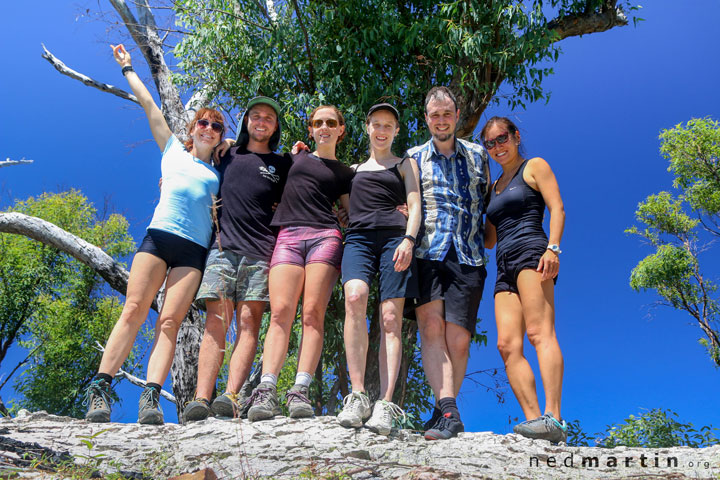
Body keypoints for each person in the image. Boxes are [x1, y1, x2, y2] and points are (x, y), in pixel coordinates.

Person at [84, 44, 224, 424]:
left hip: (193, 252)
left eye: (216, 126)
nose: (208, 128)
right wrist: (128, 68)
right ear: (192, 130)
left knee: (169, 323)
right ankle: (100, 391)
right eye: (203, 123)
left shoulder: (221, 174)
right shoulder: (173, 151)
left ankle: (150, 399)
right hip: (158, 238)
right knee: (132, 310)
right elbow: (150, 106)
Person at [181, 97, 291, 422]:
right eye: (255, 116)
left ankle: (229, 396)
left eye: (268, 118)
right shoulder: (227, 153)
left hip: (261, 251)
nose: (261, 121)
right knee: (216, 322)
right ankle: (201, 397)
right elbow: (195, 169)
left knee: (248, 322)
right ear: (246, 122)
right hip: (222, 247)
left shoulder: (283, 163)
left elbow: (302, 193)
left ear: (275, 126)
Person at [245, 105, 354, 421]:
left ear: (340, 129)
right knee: (280, 313)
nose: (324, 127)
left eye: (331, 122)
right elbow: (258, 173)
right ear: (310, 129)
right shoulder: (294, 158)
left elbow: (352, 213)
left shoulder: (346, 172)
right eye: (317, 122)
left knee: (312, 314)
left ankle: (300, 391)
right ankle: (266, 390)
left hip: (325, 236)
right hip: (289, 236)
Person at [405, 86, 490, 440]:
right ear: (427, 119)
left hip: (468, 254)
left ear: (456, 116)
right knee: (430, 331)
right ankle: (450, 411)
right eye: (434, 115)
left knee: (458, 339)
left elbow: (487, 200)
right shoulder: (412, 157)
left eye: (447, 114)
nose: (441, 120)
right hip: (427, 252)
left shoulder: (477, 155)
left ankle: (443, 409)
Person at [336, 104, 421, 435]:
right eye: (377, 124)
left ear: (396, 131)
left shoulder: (404, 164)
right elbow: (335, 199)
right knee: (354, 297)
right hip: (357, 240)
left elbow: (415, 206)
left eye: (389, 125)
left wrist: (409, 240)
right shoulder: (352, 170)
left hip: (394, 241)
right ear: (367, 127)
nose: (382, 130)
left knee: (390, 318)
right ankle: (357, 395)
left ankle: (385, 404)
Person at [481, 116, 567, 443]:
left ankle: (554, 417)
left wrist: (553, 249)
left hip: (533, 252)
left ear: (516, 137)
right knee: (506, 345)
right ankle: (535, 423)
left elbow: (557, 208)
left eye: (502, 138)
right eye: (490, 143)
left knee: (539, 332)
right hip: (503, 263)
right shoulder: (493, 188)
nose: (497, 147)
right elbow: (489, 239)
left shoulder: (533, 166)